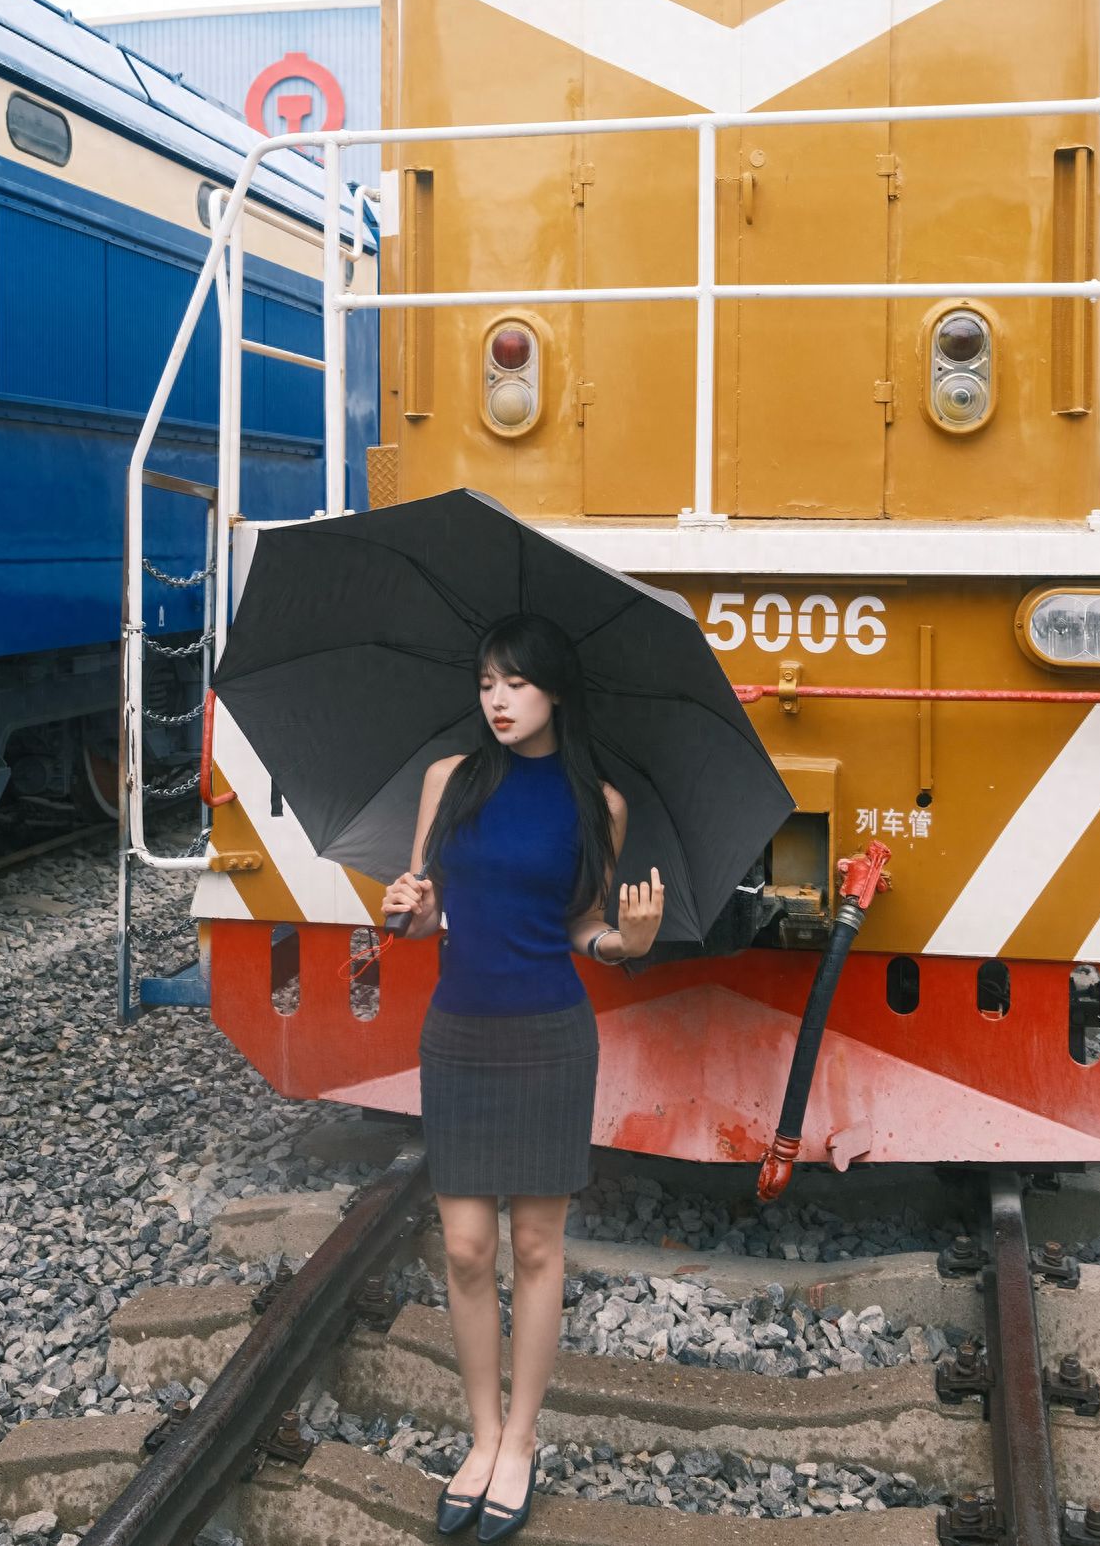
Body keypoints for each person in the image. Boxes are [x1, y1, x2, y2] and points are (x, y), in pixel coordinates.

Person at [382, 613, 664, 1542]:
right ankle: (482, 1433)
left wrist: (629, 942)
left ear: (555, 691)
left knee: (537, 1249)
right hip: (458, 1028)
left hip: (549, 1032)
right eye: (486, 684)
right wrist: (405, 909)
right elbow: (426, 917)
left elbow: (586, 924)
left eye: (516, 683)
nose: (497, 700)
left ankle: (522, 1442)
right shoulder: (447, 782)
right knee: (466, 1247)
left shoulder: (599, 802)